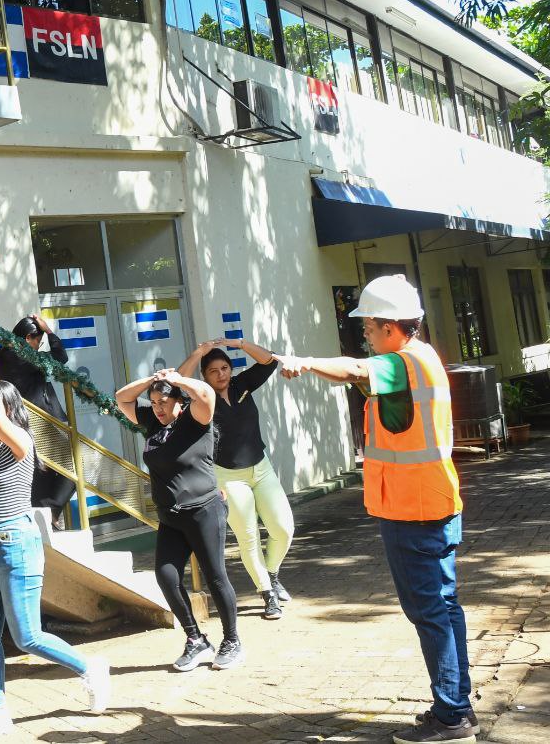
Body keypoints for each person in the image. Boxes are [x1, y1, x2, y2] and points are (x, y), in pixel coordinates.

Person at [278, 275, 476, 744]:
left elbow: (354, 370)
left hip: (413, 510)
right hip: (435, 502)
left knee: (430, 612)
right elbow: (363, 378)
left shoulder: (401, 364)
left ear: (390, 326)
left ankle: (451, 716)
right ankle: (457, 705)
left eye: (367, 327)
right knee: (445, 607)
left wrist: (305, 361)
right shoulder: (422, 359)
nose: (364, 335)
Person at [0, 370, 110, 739]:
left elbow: (1, 422)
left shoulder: (20, 441)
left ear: (10, 408)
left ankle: (89, 667)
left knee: (27, 637)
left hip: (17, 543)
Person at [116, 369, 244, 672]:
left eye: (164, 402)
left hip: (204, 511)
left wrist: (177, 379)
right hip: (171, 517)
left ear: (179, 401)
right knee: (167, 576)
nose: (158, 408)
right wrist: (151, 381)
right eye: (153, 402)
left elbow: (206, 394)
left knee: (215, 576)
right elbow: (122, 398)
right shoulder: (152, 422)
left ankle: (232, 641)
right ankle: (195, 639)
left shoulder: (195, 420)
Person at [179, 337, 295, 621]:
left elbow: (269, 360)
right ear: (204, 376)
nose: (221, 374)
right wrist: (199, 352)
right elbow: (179, 380)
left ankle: (271, 573)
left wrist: (240, 343)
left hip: (261, 468)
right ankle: (267, 593)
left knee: (283, 529)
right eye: (213, 371)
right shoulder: (202, 397)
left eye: (224, 368)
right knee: (248, 537)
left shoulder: (242, 384)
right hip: (228, 476)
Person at [0, 313, 76, 527]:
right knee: (71, 468)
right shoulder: (22, 356)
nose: (39, 346)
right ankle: (50, 512)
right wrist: (48, 331)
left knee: (40, 471)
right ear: (28, 337)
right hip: (38, 422)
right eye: (38, 341)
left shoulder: (5, 355)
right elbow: (60, 357)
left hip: (24, 423)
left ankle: (44, 514)